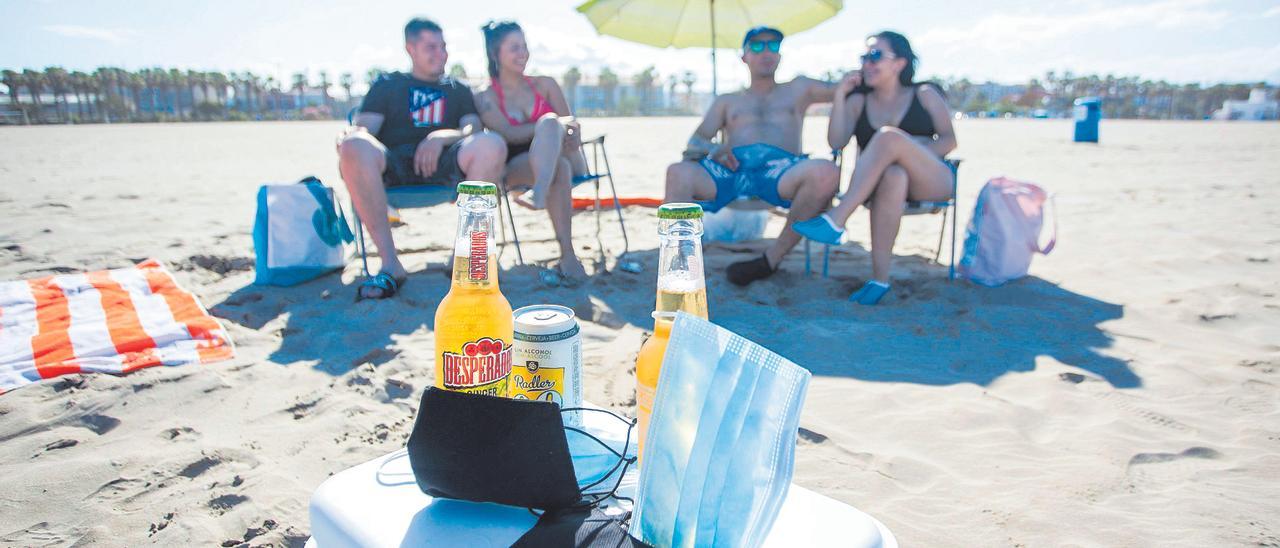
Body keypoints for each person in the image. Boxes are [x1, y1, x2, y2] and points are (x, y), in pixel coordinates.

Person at [337, 18, 508, 300]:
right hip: (395, 167)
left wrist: (441, 136)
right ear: (411, 48)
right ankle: (391, 264)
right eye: (431, 47)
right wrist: (349, 136)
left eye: (443, 46)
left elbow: (472, 129)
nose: (441, 53)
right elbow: (364, 129)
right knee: (354, 145)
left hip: (447, 165)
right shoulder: (389, 84)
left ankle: (464, 259)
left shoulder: (457, 88)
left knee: (491, 144)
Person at [663, 26, 840, 286]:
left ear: (780, 55)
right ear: (744, 56)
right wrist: (714, 150)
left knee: (826, 172)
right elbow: (695, 141)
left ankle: (771, 259)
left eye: (773, 46)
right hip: (733, 171)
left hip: (781, 171)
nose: (766, 52)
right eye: (757, 46)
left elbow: (845, 89)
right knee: (677, 172)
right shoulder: (728, 100)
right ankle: (681, 265)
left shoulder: (799, 88)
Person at [792, 31, 957, 305]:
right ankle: (880, 280)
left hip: (932, 179)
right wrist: (842, 95)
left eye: (876, 56)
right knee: (894, 173)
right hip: (883, 185)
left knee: (888, 137)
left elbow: (950, 140)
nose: (867, 63)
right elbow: (837, 142)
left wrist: (906, 150)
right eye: (865, 57)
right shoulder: (859, 101)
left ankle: (838, 217)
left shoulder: (924, 94)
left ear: (899, 63)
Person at [473, 20, 587, 281]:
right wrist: (551, 125)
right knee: (558, 161)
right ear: (495, 53)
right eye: (514, 48)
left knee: (554, 131)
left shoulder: (544, 84)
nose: (522, 53)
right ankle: (568, 257)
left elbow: (569, 121)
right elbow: (509, 134)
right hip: (520, 167)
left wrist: (571, 130)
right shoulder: (486, 96)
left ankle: (539, 193)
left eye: (524, 46)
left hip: (565, 152)